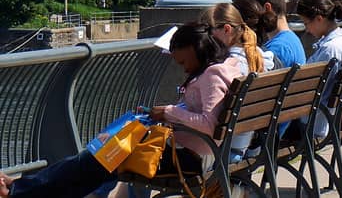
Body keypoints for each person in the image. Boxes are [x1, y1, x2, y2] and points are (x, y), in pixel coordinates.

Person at [8, 24, 239, 198]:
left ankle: (20, 189)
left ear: (193, 48)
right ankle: (24, 188)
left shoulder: (212, 74)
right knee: (98, 159)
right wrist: (161, 114)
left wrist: (168, 112)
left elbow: (209, 123)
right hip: (192, 153)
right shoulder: (224, 68)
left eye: (181, 61)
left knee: (99, 158)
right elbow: (208, 116)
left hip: (186, 159)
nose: (180, 66)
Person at [199, 2, 272, 162]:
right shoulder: (260, 57)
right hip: (250, 145)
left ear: (226, 29)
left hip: (225, 150)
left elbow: (208, 119)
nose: (205, 37)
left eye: (208, 30)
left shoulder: (228, 67)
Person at [294, 0, 342, 139]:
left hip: (314, 124)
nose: (306, 30)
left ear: (319, 19)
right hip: (330, 118)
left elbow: (308, 89)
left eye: (306, 23)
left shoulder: (330, 50)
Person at [246, 0, 306, 68]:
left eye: (251, 11)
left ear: (267, 8)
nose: (250, 18)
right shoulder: (291, 39)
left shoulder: (276, 49)